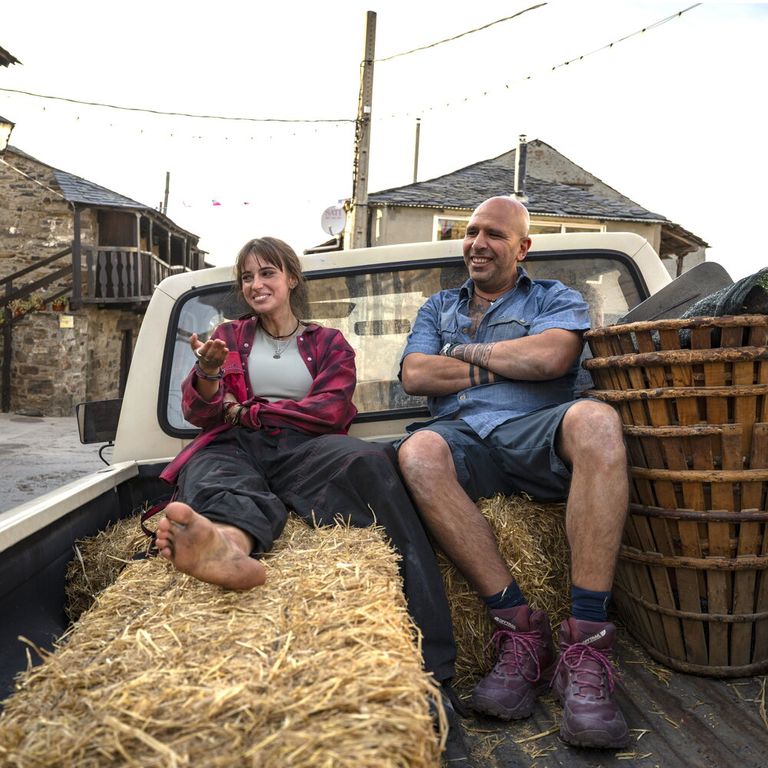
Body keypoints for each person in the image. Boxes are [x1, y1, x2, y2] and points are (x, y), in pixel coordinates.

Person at [154, 236, 456, 691]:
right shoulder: (228, 337)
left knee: (369, 462)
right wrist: (209, 375)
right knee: (213, 473)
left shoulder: (329, 342)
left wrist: (252, 410)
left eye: (268, 273)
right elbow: (203, 415)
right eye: (248, 277)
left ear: (292, 278)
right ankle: (227, 549)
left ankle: (431, 656)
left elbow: (329, 412)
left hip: (304, 447)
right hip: (236, 442)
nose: (256, 284)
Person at [396, 196, 630, 749]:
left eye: (495, 235)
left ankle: (586, 644)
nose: (478, 243)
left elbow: (550, 360)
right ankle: (519, 629)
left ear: (522, 247)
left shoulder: (555, 297)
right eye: (472, 231)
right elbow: (415, 373)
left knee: (597, 421)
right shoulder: (436, 308)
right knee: (416, 453)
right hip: (463, 438)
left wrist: (463, 356)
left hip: (534, 430)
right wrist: (501, 364)